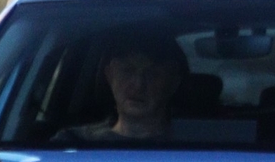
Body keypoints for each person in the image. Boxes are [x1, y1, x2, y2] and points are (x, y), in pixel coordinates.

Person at [50, 32, 185, 144]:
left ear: (173, 83)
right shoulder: (70, 144)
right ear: (109, 75)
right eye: (127, 71)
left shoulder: (194, 146)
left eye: (152, 74)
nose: (138, 85)